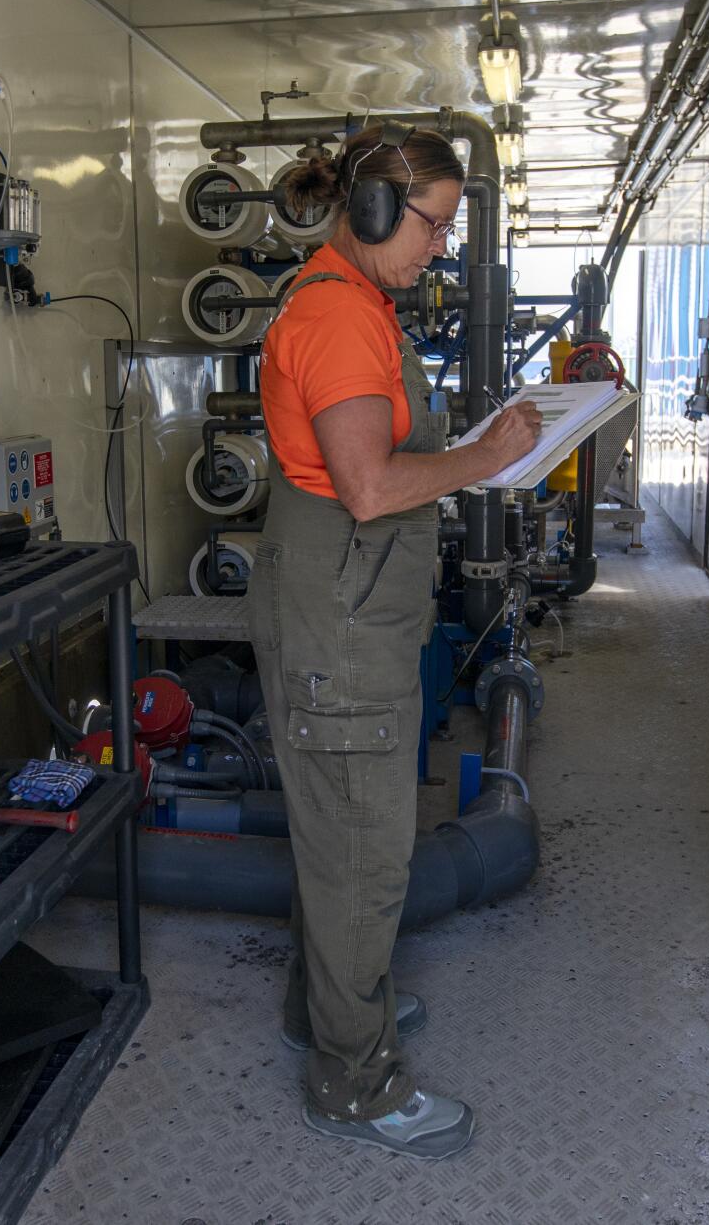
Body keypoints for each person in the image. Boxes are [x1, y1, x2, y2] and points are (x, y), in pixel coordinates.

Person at [250, 122, 542, 1159]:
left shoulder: (356, 304)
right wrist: (481, 456)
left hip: (347, 604)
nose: (437, 249)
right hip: (341, 613)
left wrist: (473, 449)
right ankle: (354, 1081)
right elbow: (369, 487)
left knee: (337, 839)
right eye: (431, 226)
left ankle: (323, 1012)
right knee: (364, 857)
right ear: (372, 210)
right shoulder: (334, 318)